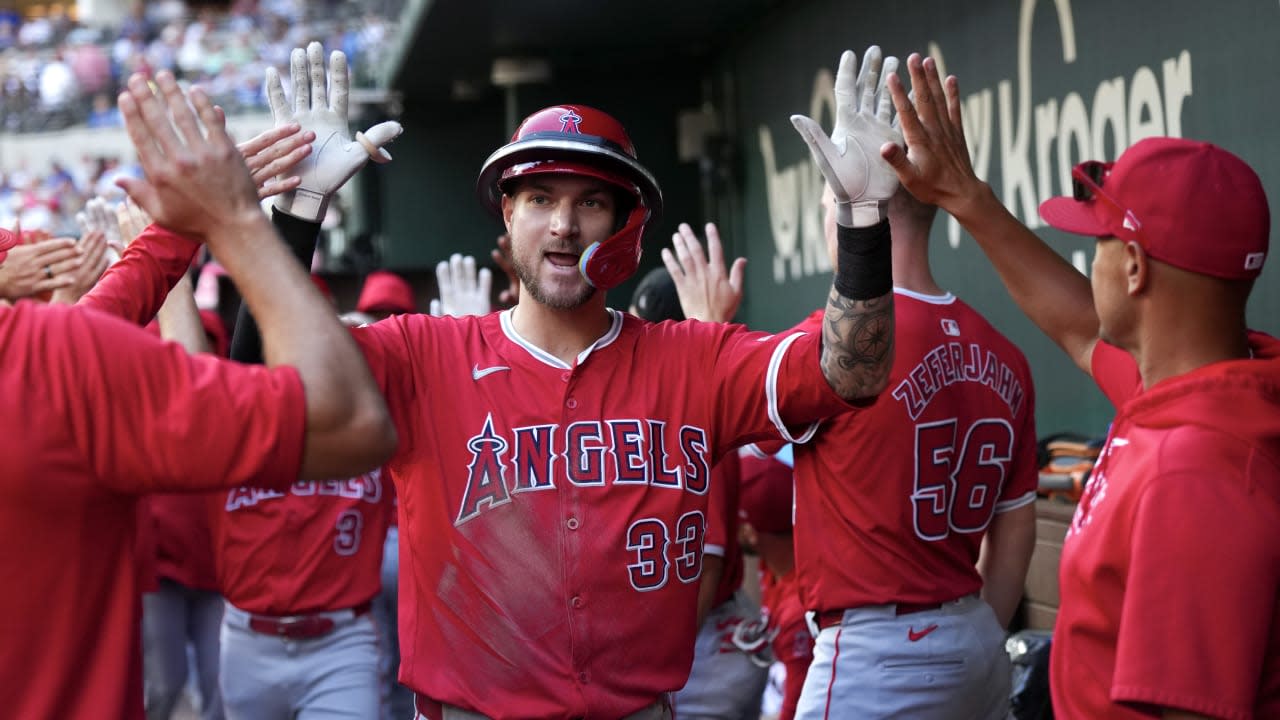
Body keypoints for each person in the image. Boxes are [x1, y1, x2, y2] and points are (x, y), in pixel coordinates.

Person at [207, 42, 901, 719]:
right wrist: (293, 220)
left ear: (626, 224)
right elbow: (256, 386)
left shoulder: (694, 359)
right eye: (540, 197)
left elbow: (852, 372)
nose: (564, 226)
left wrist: (863, 222)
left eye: (591, 203)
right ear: (507, 216)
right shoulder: (424, 353)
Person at [882, 53, 1280, 719]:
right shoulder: (1210, 389)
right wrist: (964, 197)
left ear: (1132, 267)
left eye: (1096, 242)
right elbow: (1078, 327)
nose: (1085, 258)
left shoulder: (1197, 472)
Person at [0, 69, 395, 719]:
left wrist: (190, 228)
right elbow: (347, 421)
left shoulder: (51, 356)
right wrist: (232, 218)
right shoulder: (49, 361)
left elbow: (82, 332)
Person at [665, 48, 1037, 720]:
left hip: (875, 650)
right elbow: (1014, 537)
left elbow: (706, 421)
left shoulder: (832, 346)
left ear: (850, 210)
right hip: (977, 637)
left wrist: (705, 328)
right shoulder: (1005, 353)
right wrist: (970, 633)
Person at [629, 266, 769, 720]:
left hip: (703, 644)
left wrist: (659, 675)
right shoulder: (671, 410)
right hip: (707, 635)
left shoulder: (693, 418)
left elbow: (703, 568)